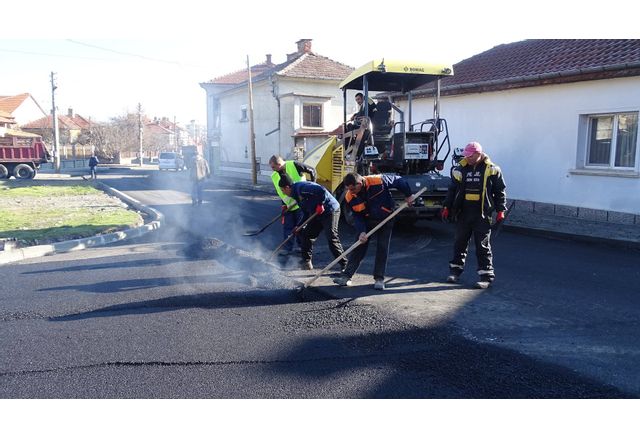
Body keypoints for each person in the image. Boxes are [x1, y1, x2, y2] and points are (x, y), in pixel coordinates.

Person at [441, 141, 507, 289]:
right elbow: (452, 190)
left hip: (482, 214)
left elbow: (500, 191)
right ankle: (455, 272)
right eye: (466, 156)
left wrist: (501, 210)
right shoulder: (460, 169)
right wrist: (447, 206)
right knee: (459, 243)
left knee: (482, 246)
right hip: (463, 212)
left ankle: (486, 276)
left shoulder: (492, 170)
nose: (468, 158)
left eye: (470, 156)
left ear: (478, 154)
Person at [333, 172, 414, 290]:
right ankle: (346, 276)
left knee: (382, 247)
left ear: (359, 183)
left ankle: (379, 279)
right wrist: (361, 231)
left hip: (386, 217)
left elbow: (399, 181)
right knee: (358, 246)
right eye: (349, 189)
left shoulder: (377, 181)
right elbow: (357, 215)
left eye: (353, 188)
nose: (351, 191)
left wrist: (408, 195)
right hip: (366, 220)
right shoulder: (350, 196)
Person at [278, 174, 346, 271]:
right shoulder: (296, 195)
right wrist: (299, 226)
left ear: (287, 187)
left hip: (330, 210)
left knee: (332, 238)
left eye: (283, 190)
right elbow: (306, 213)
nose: (283, 193)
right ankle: (306, 262)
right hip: (317, 213)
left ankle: (344, 264)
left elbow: (321, 191)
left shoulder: (301, 188)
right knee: (306, 234)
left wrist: (320, 204)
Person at [268, 155, 317, 256]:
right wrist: (284, 205)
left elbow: (312, 170)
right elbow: (281, 192)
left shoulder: (294, 165)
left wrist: (312, 187)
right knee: (288, 227)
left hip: (301, 203)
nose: (272, 170)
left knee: (300, 227)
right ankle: (287, 248)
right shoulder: (274, 175)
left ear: (279, 164)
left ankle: (302, 247)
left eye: (273, 167)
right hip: (288, 205)